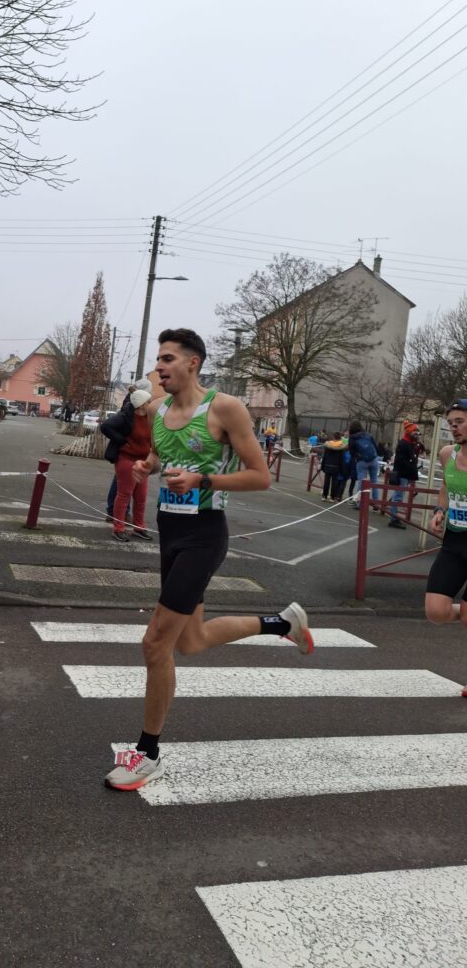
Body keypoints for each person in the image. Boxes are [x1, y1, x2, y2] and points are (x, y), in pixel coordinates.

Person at [104, 328, 314, 792]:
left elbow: (259, 476)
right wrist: (148, 468)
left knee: (155, 644)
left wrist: (204, 482)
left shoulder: (225, 408)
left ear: (192, 363)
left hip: (203, 536)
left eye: (167, 359)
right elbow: (162, 455)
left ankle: (148, 754)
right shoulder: (158, 410)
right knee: (191, 642)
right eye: (158, 360)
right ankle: (281, 624)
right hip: (170, 533)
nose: (158, 367)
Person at [425, 401, 467, 697]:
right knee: (436, 612)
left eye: (461, 421)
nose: (454, 427)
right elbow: (445, 489)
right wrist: (440, 510)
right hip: (455, 541)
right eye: (451, 422)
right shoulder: (447, 454)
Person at [100, 389, 153, 541]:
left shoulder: (151, 418)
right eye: (149, 401)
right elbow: (105, 427)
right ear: (142, 404)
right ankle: (118, 528)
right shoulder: (126, 417)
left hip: (143, 461)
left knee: (141, 496)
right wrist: (122, 441)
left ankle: (139, 527)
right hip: (126, 459)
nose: (151, 403)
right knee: (124, 495)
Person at [388, 422, 420, 529]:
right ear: (409, 431)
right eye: (415, 431)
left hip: (405, 475)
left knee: (398, 496)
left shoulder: (409, 443)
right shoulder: (404, 444)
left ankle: (394, 517)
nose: (417, 433)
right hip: (402, 474)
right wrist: (411, 466)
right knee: (398, 497)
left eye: (417, 431)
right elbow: (400, 460)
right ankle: (393, 519)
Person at [348, 420, 380, 508]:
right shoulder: (368, 435)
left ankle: (359, 503)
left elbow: (351, 451)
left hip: (361, 461)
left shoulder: (352, 438)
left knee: (361, 483)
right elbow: (375, 446)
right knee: (374, 482)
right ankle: (375, 502)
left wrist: (357, 457)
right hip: (373, 460)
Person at [320, 432, 347, 502]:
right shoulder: (341, 447)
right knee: (334, 482)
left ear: (333, 437)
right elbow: (342, 459)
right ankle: (332, 497)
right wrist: (342, 469)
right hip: (336, 467)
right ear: (340, 438)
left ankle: (324, 496)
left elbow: (324, 457)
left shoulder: (328, 445)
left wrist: (322, 466)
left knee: (326, 481)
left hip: (327, 465)